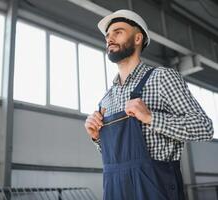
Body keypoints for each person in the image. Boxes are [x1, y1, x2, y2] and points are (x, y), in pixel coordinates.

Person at [84, 9, 214, 200]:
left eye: (118, 32)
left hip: (155, 188)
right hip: (114, 190)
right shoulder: (106, 99)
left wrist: (151, 118)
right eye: (108, 35)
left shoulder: (162, 78)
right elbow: (115, 154)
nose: (110, 39)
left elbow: (204, 128)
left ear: (138, 39)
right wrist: (97, 138)